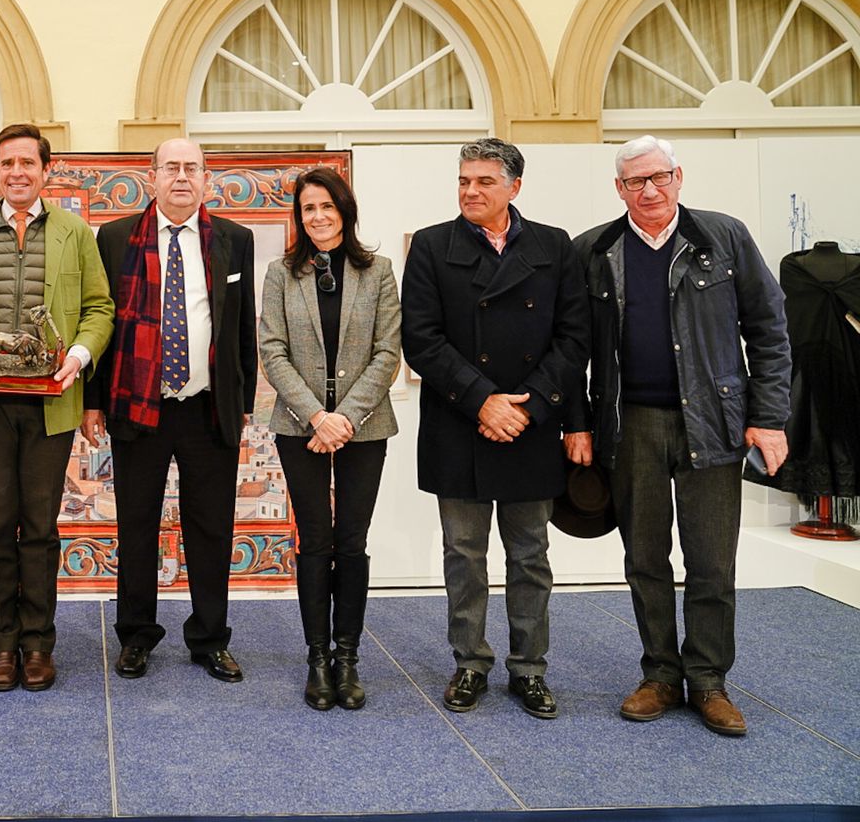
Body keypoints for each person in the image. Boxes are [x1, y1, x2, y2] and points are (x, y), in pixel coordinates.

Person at [564, 135, 790, 737]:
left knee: (713, 560)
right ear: (619, 189)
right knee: (644, 557)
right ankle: (661, 674)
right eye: (636, 181)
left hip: (713, 422)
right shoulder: (595, 250)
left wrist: (768, 417)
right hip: (630, 423)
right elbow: (575, 351)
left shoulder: (724, 238)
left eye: (659, 176)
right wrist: (579, 424)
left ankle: (709, 681)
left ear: (679, 176)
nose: (650, 189)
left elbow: (769, 330)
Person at [401, 138, 589, 720]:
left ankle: (530, 669)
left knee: (530, 554)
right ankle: (470, 663)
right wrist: (484, 402)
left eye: (484, 181)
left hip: (530, 424)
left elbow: (574, 336)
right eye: (464, 180)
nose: (470, 191)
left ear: (515, 186)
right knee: (463, 554)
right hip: (461, 423)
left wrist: (529, 407)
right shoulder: (433, 245)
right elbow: (421, 339)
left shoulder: (554, 246)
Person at [0, 123, 115, 692]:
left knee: (39, 527)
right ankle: (0, 646)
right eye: (7, 163)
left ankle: (38, 645)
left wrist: (79, 355)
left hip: (52, 405)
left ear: (46, 169)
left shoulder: (77, 234)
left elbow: (100, 308)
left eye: (28, 163)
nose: (18, 172)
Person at [82, 138, 256, 684]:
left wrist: (243, 402)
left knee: (212, 528)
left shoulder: (235, 239)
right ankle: (136, 637)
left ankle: (209, 638)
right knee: (136, 525)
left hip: (209, 409)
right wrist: (92, 401)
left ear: (206, 178)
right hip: (139, 404)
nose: (181, 177)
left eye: (192, 168)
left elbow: (241, 325)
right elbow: (100, 321)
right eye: (171, 168)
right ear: (150, 176)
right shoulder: (113, 239)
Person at [258, 166, 400, 710]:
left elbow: (388, 352)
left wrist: (347, 418)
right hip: (301, 428)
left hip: (365, 428)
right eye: (308, 208)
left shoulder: (379, 271)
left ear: (345, 210)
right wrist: (318, 416)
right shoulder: (280, 274)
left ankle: (348, 657)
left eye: (326, 206)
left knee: (352, 543)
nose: (317, 216)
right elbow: (272, 350)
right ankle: (317, 658)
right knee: (315, 542)